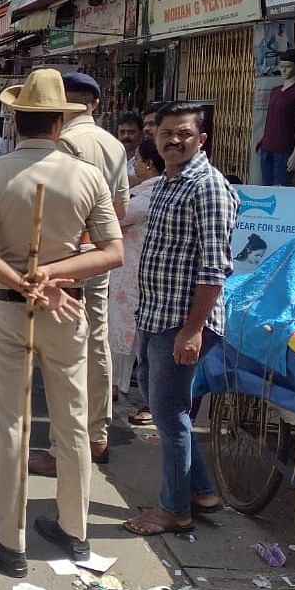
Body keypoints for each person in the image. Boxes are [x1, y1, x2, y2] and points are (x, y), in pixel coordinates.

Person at [0, 69, 123, 575]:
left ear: (16, 120)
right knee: (72, 423)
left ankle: (10, 541)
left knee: (11, 424)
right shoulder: (87, 176)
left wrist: (29, 279)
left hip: (11, 305)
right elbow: (112, 252)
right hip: (67, 307)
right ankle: (75, 532)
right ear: (60, 121)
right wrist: (50, 277)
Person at [124, 101, 236, 537]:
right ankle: (201, 491)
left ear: (201, 139)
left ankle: (174, 510)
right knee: (168, 409)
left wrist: (192, 331)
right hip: (156, 314)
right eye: (166, 132)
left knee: (169, 415)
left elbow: (214, 268)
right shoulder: (170, 182)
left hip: (182, 321)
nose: (173, 140)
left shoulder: (207, 188)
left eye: (184, 134)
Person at [30, 73, 129, 477]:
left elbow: (55, 207)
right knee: (97, 342)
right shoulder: (114, 143)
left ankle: (62, 447)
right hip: (98, 254)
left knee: (64, 352)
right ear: (97, 105)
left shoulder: (66, 143)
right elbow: (118, 211)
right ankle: (96, 434)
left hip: (67, 256)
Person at [108, 138, 165, 414]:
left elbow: (114, 218)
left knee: (123, 330)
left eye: (139, 162)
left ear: (149, 164)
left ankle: (119, 387)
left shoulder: (147, 197)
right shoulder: (158, 192)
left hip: (133, 273)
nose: (136, 167)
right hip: (139, 271)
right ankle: (119, 386)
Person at [257, 50, 295, 186]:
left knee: (281, 191)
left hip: (284, 150)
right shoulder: (275, 91)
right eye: (281, 66)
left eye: (287, 66)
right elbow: (272, 118)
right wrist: (263, 140)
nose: (283, 69)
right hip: (266, 147)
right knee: (266, 190)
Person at [117, 113, 142, 182]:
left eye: (131, 132)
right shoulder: (111, 158)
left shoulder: (144, 161)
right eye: (122, 132)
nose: (126, 136)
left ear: (141, 134)